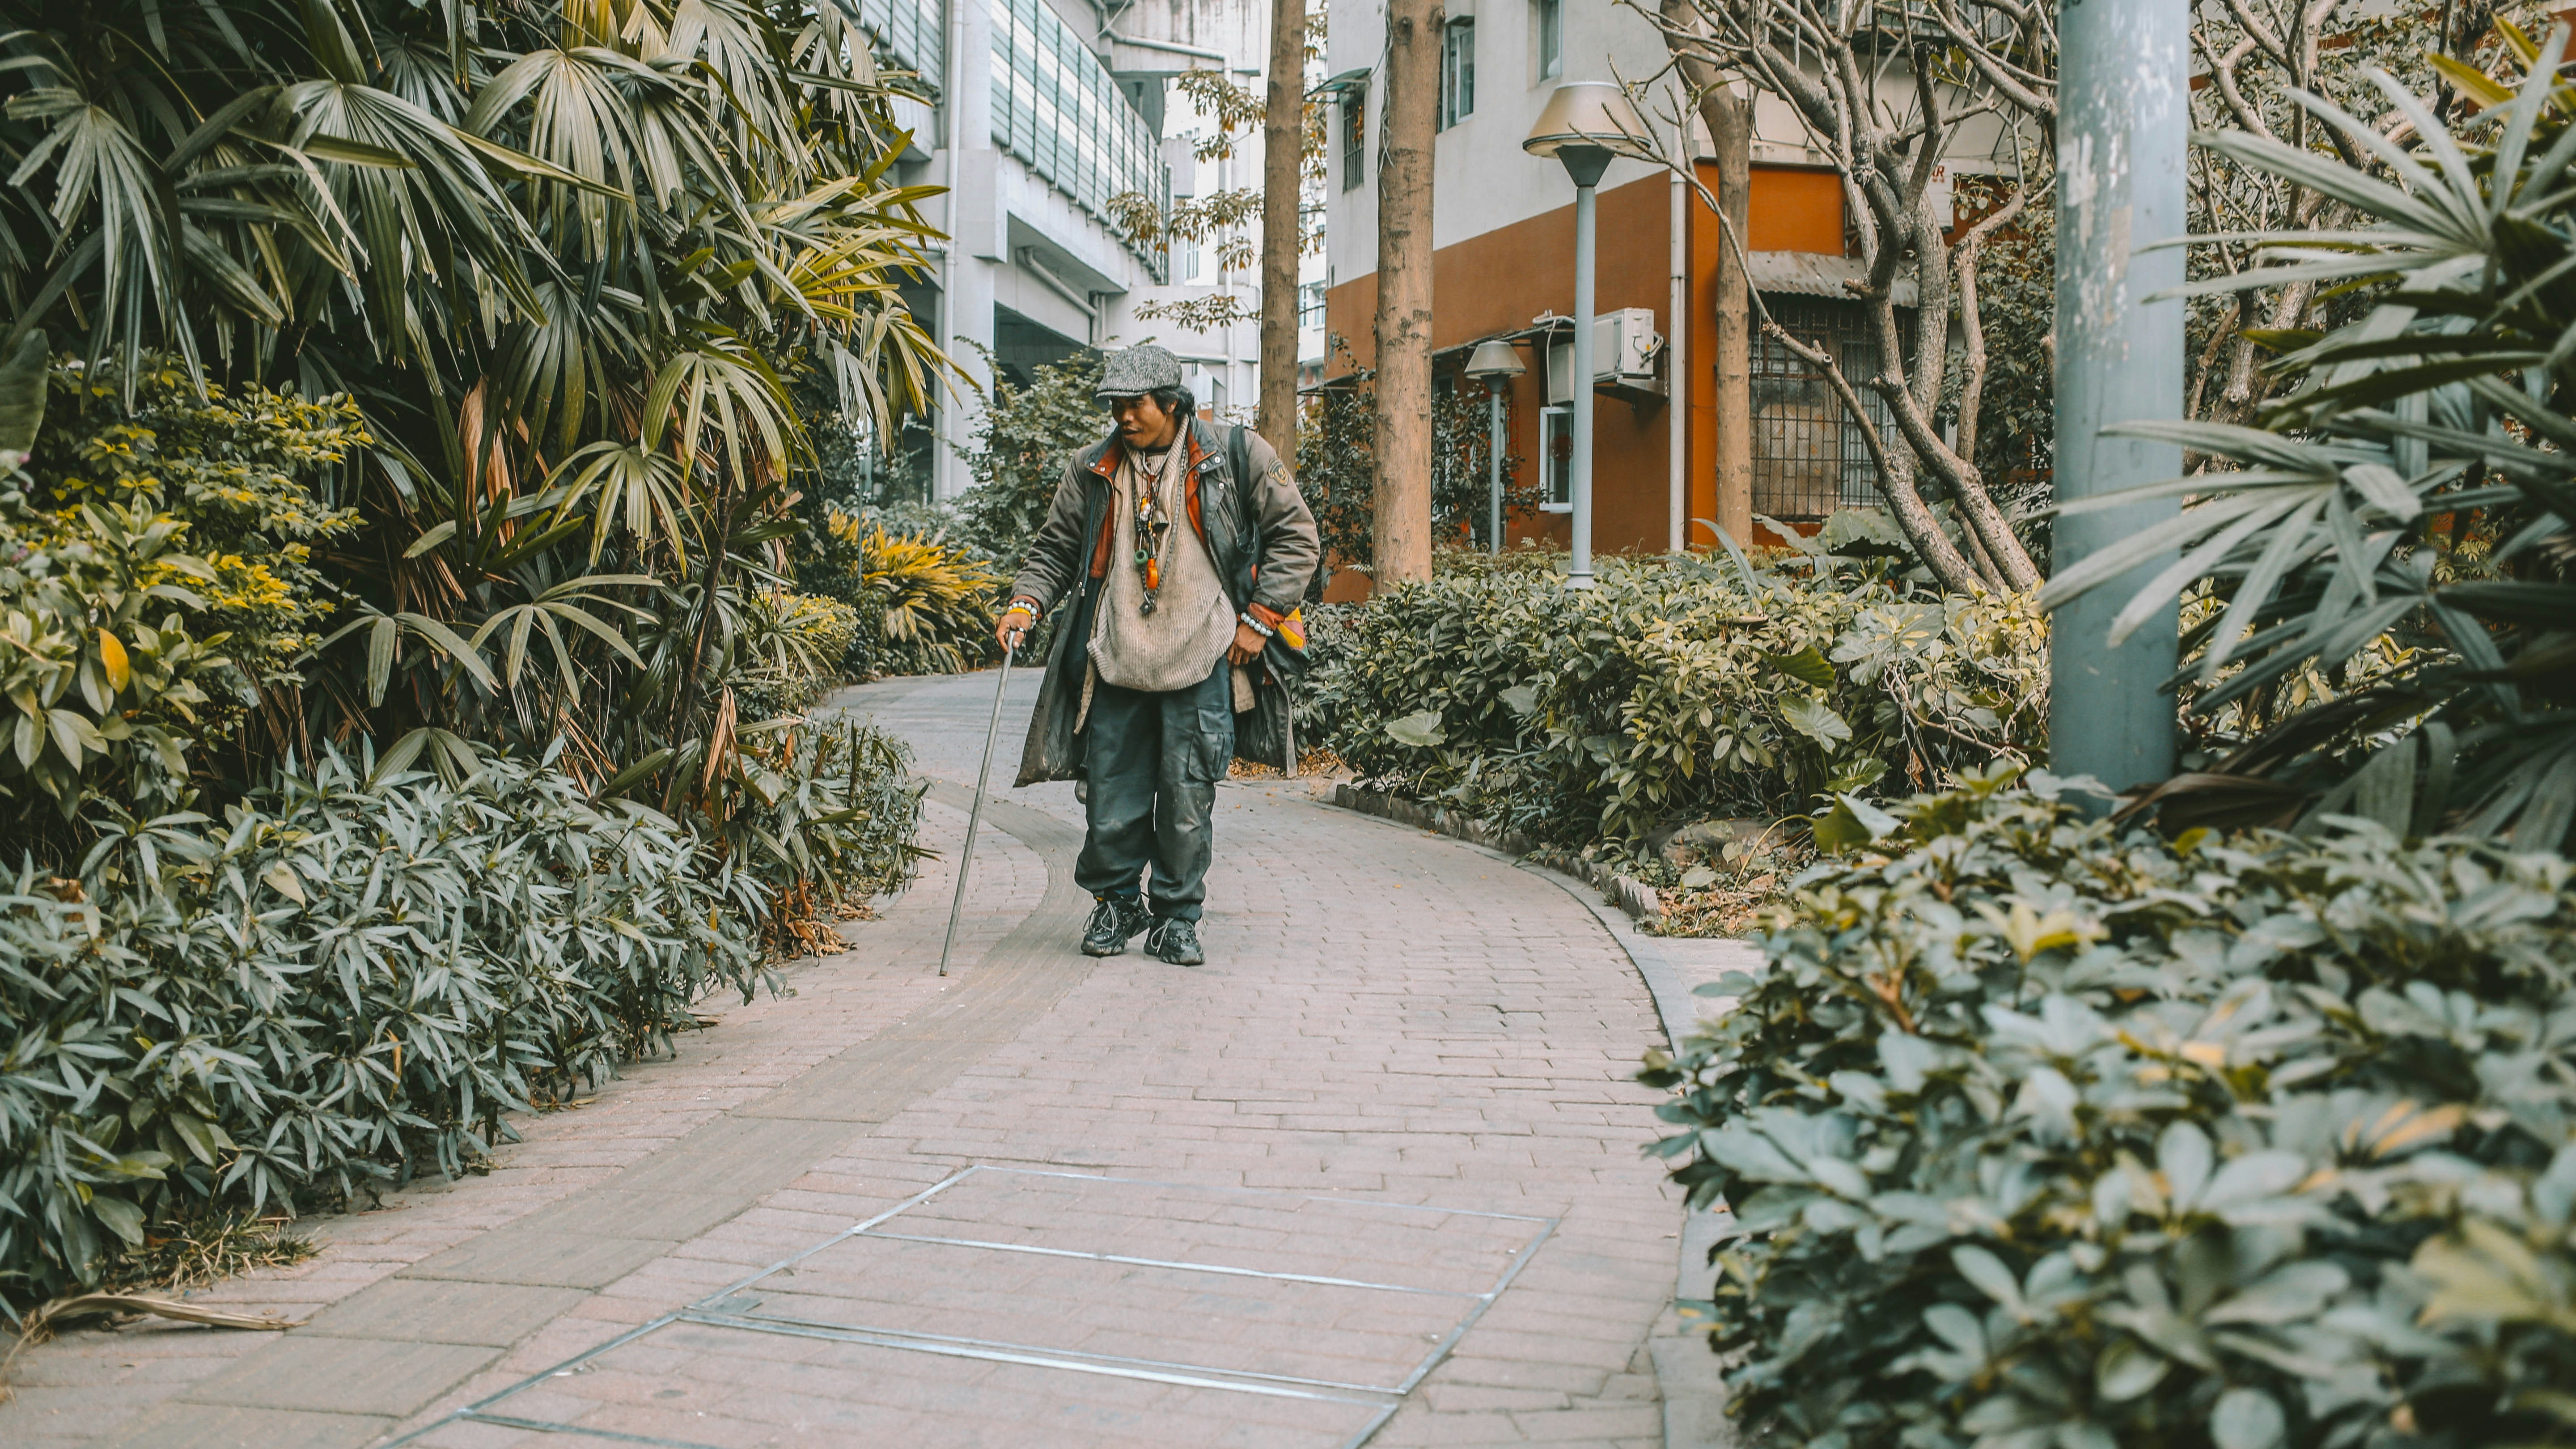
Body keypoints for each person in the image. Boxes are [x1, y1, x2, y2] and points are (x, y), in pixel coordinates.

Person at [995, 345, 1320, 966]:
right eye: (1114, 406)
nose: (1122, 417)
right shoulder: (1091, 468)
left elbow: (1296, 537)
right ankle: (1117, 904)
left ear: (1171, 403)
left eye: (1134, 405)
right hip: (1117, 658)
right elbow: (1056, 551)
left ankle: (1177, 917)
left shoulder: (1234, 456)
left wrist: (1259, 621)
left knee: (1186, 798)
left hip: (1201, 661)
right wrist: (1026, 605)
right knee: (1110, 801)